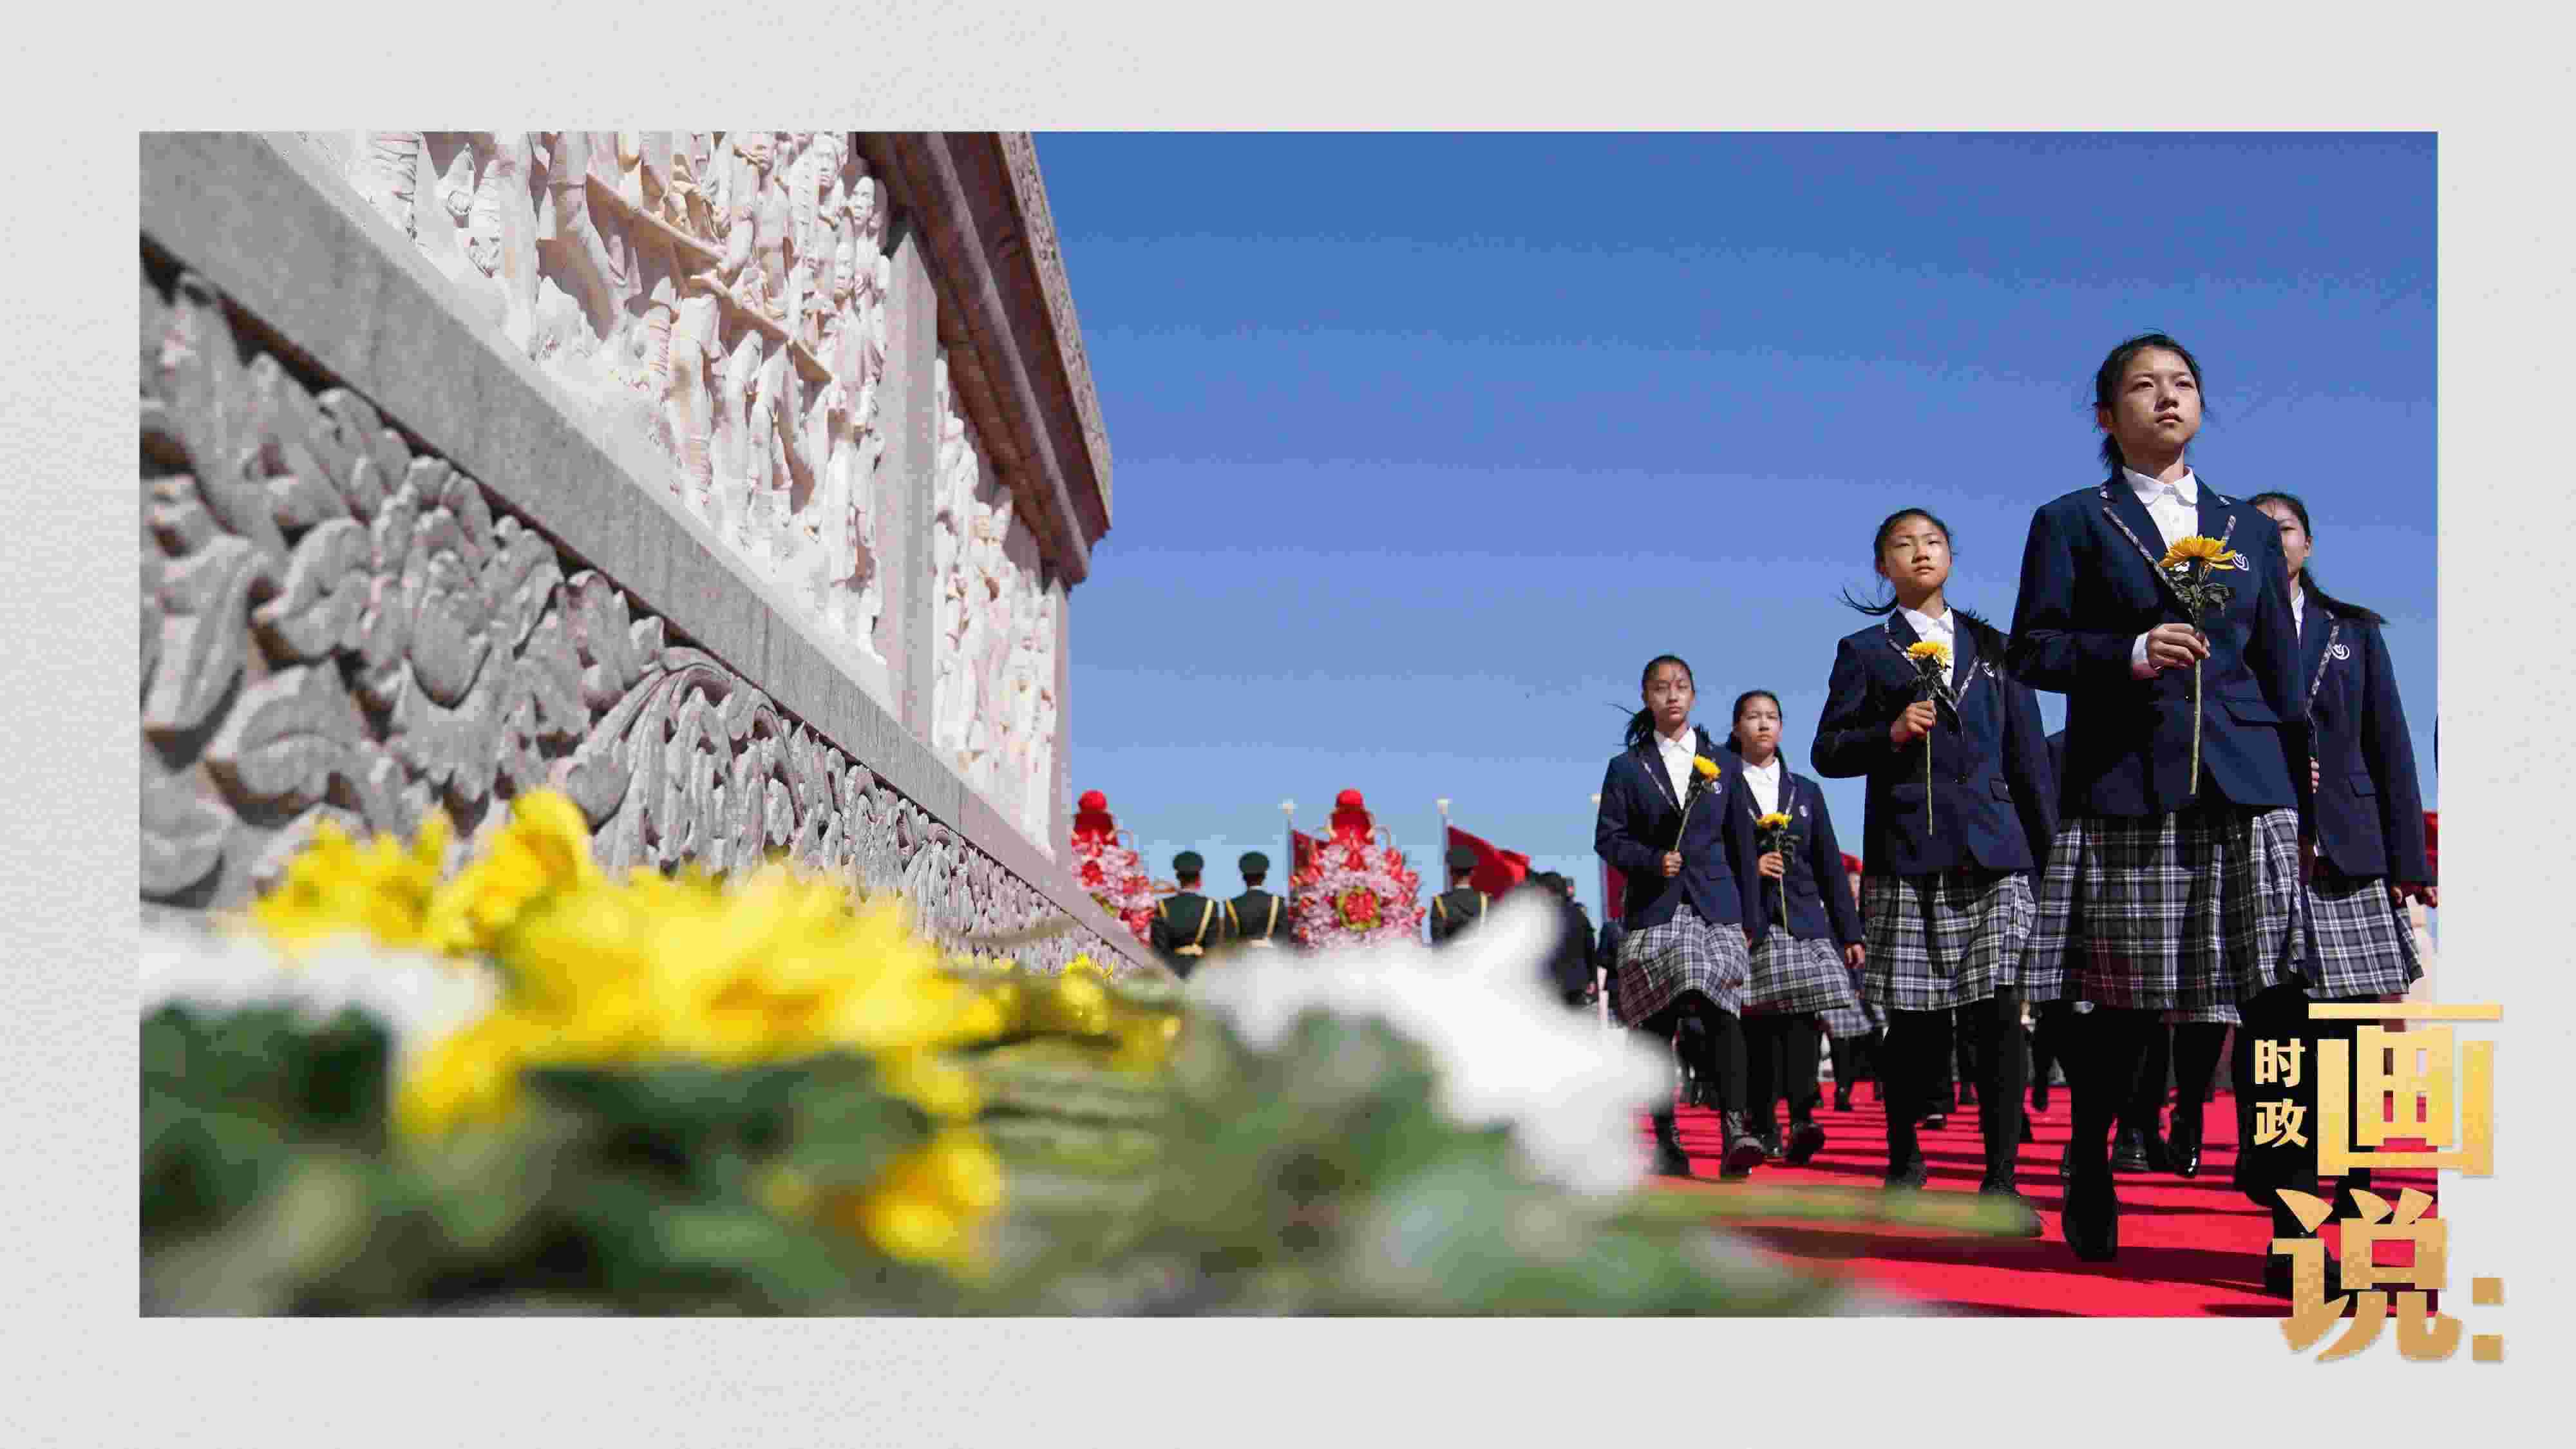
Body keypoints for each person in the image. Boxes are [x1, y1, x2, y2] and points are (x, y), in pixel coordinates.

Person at [2007, 333, 2315, 1287]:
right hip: (2129, 786)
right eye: (2143, 386)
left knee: (2278, 1005)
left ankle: (2292, 1212)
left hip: (2247, 785)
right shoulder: (2071, 521)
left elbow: (2280, 675)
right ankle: (2092, 1154)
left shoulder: (2247, 528)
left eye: (2183, 384)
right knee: (2124, 1004)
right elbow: (2034, 649)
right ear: (2108, 415)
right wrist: (2131, 652)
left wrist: (2298, 801)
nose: (2167, 398)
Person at [1815, 507, 2057, 1233]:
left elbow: (2030, 760)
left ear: (1950, 556)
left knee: (1999, 1017)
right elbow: (1829, 751)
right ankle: (1904, 1162)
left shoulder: (1996, 647)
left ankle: (2001, 1180)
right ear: (1882, 566)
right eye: (1902, 544)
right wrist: (1888, 732)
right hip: (1909, 851)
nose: (1920, 553)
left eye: (1932, 542)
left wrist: (2050, 865)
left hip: (1996, 850)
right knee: (1914, 1023)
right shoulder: (1864, 651)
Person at [2227, 489, 2433, 1208]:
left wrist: (2409, 861)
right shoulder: (2219, 633)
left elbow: (2389, 744)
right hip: (2256, 846)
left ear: (2307, 544)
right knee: (2273, 1032)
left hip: (2348, 848)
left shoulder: (2354, 632)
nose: (2272, 540)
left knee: (2350, 1031)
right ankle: (2283, 1181)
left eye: (2283, 529)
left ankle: (2355, 1175)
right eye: (2255, 532)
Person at [1596, 654, 1767, 1179]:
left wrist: (1751, 917)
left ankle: (1736, 1131)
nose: (1672, 695)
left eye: (1681, 686)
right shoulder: (1627, 768)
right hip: (1655, 909)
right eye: (1661, 687)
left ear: (1693, 695)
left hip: (1715, 907)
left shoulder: (1724, 765)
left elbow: (1743, 845)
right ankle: (1666, 1139)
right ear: (1646, 697)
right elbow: (1608, 839)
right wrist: (1651, 860)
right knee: (1655, 1025)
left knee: (1723, 1011)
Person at [1720, 689, 1866, 1165]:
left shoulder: (1806, 792)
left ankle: (1804, 1118)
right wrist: (1751, 868)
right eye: (1753, 717)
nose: (1763, 724)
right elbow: (1708, 857)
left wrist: (1850, 933)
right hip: (1751, 924)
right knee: (1759, 1027)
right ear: (1737, 728)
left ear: (1782, 728)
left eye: (1771, 717)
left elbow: (1830, 867)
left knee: (1805, 1020)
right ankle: (1764, 1125)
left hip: (1804, 921)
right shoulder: (1720, 789)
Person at [1823, 857, 1884, 1112]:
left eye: (1858, 882)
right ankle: (1843, 1088)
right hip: (1843, 980)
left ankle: (1881, 1081)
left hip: (1869, 981)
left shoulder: (1869, 913)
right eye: (1850, 882)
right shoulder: (1831, 914)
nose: (1854, 887)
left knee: (1876, 1031)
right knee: (1840, 1037)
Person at [1150, 851, 1231, 979]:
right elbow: (1212, 947)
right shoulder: (1210, 906)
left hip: (1170, 972)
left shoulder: (1163, 906)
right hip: (1200, 973)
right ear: (1199, 877)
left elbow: (1158, 949)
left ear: (1178, 876)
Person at [1229, 851, 1293, 953]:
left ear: (1244, 877)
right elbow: (1283, 941)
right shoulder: (1278, 902)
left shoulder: (1231, 904)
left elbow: (1229, 942)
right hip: (1271, 958)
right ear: (1264, 876)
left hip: (1243, 958)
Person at [1428, 845, 1488, 945]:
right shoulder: (1485, 900)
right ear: (1473, 873)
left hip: (1451, 954)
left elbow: (1438, 942)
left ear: (1451, 872)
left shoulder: (1440, 902)